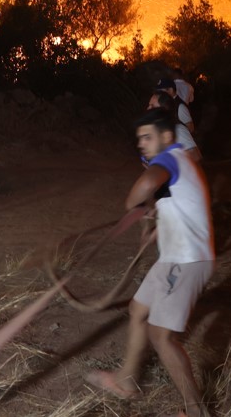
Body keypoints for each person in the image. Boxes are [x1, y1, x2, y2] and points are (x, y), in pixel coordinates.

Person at [86, 108, 214, 417]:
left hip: (185, 261)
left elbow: (146, 185)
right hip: (174, 258)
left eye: (147, 137)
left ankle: (196, 412)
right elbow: (176, 202)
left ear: (166, 137)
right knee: (138, 311)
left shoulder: (170, 157)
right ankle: (126, 382)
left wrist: (133, 202)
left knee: (161, 336)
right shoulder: (180, 162)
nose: (141, 144)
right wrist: (157, 219)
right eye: (139, 139)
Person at [149, 90, 202, 163]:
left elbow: (196, 156)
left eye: (152, 106)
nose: (148, 109)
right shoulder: (156, 129)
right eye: (149, 105)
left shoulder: (177, 129)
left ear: (164, 109)